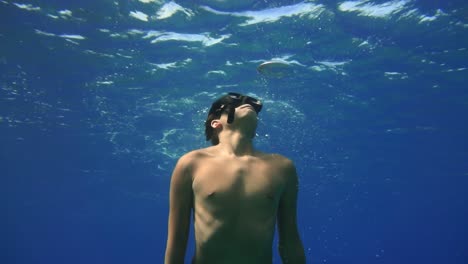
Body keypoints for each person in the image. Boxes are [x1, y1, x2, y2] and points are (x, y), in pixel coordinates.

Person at [165, 92, 306, 264]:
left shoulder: (283, 167)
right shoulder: (191, 164)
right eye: (236, 102)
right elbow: (177, 240)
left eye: (252, 105)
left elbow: (290, 240)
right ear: (215, 122)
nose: (248, 105)